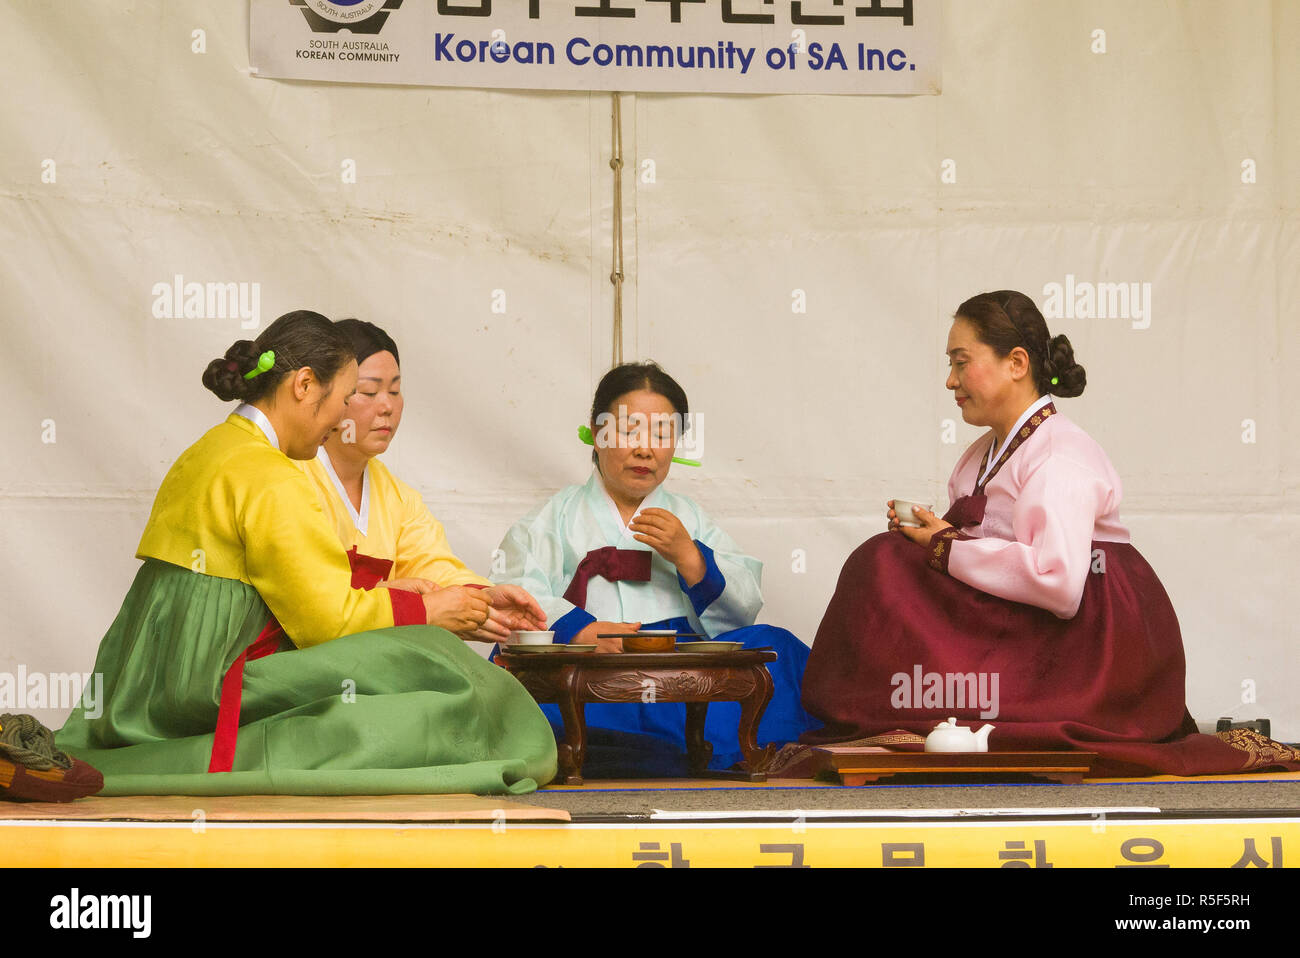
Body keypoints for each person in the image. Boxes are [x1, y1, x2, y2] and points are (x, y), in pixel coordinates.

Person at [798, 291, 1300, 776]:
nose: (950, 381)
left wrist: (946, 547)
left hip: (1087, 635)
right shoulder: (980, 454)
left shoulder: (1061, 454)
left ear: (1017, 362)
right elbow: (986, 546)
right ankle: (889, 712)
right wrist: (935, 535)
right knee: (885, 559)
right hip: (1019, 617)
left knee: (883, 564)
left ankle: (903, 711)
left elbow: (1057, 582)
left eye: (961, 361)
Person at [55, 311, 557, 795]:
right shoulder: (278, 475)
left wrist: (469, 596)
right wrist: (425, 609)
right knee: (437, 666)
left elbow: (408, 567)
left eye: (395, 390)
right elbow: (325, 620)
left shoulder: (214, 447)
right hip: (215, 677)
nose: (349, 415)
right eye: (350, 396)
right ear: (304, 386)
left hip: (158, 673)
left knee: (415, 661)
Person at [496, 361, 821, 775]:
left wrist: (691, 558)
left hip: (679, 664)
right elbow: (514, 588)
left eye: (662, 435)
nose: (645, 449)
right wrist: (578, 629)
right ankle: (672, 748)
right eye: (628, 431)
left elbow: (743, 604)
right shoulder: (554, 517)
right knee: (521, 680)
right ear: (596, 434)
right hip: (591, 663)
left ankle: (678, 748)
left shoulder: (690, 518)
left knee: (777, 645)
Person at [298, 318, 543, 644]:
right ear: (327, 393)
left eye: (395, 391)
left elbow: (432, 565)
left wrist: (483, 597)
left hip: (369, 654)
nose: (387, 406)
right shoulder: (291, 478)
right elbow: (306, 595)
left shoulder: (398, 498)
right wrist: (384, 596)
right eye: (368, 391)